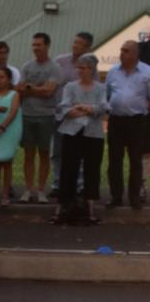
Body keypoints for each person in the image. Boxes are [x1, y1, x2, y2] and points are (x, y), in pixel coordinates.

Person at [53, 54, 106, 225]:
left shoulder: (100, 88)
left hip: (93, 133)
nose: (80, 71)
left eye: (84, 68)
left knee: (92, 170)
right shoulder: (70, 86)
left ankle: (90, 208)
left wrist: (84, 107)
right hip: (72, 132)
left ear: (91, 69)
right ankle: (62, 208)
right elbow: (64, 106)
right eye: (79, 67)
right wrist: (80, 110)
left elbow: (103, 107)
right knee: (68, 169)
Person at [17, 33, 63, 203]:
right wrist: (37, 89)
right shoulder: (27, 66)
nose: (36, 48)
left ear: (47, 46)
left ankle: (41, 190)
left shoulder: (54, 68)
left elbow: (49, 91)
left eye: (39, 45)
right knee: (29, 154)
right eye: (34, 45)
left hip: (46, 116)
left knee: (44, 154)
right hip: (27, 115)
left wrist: (30, 88)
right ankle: (29, 189)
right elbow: (20, 88)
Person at [105, 40, 150, 209]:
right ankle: (116, 196)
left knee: (135, 161)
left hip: (137, 122)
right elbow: (107, 94)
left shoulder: (147, 72)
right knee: (114, 160)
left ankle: (134, 198)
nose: (121, 53)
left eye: (125, 51)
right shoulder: (113, 72)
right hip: (116, 121)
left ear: (136, 54)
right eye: (121, 50)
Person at [50, 32, 94, 195]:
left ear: (88, 47)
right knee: (58, 151)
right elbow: (52, 85)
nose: (75, 46)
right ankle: (57, 184)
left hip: (79, 116)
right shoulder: (60, 62)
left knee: (79, 152)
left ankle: (79, 184)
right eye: (75, 42)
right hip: (60, 114)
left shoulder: (90, 65)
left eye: (80, 44)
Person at [0, 66, 22, 206]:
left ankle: (6, 195)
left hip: (8, 132)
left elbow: (13, 112)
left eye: (2, 77)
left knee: (7, 163)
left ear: (9, 79)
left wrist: (2, 128)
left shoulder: (14, 95)